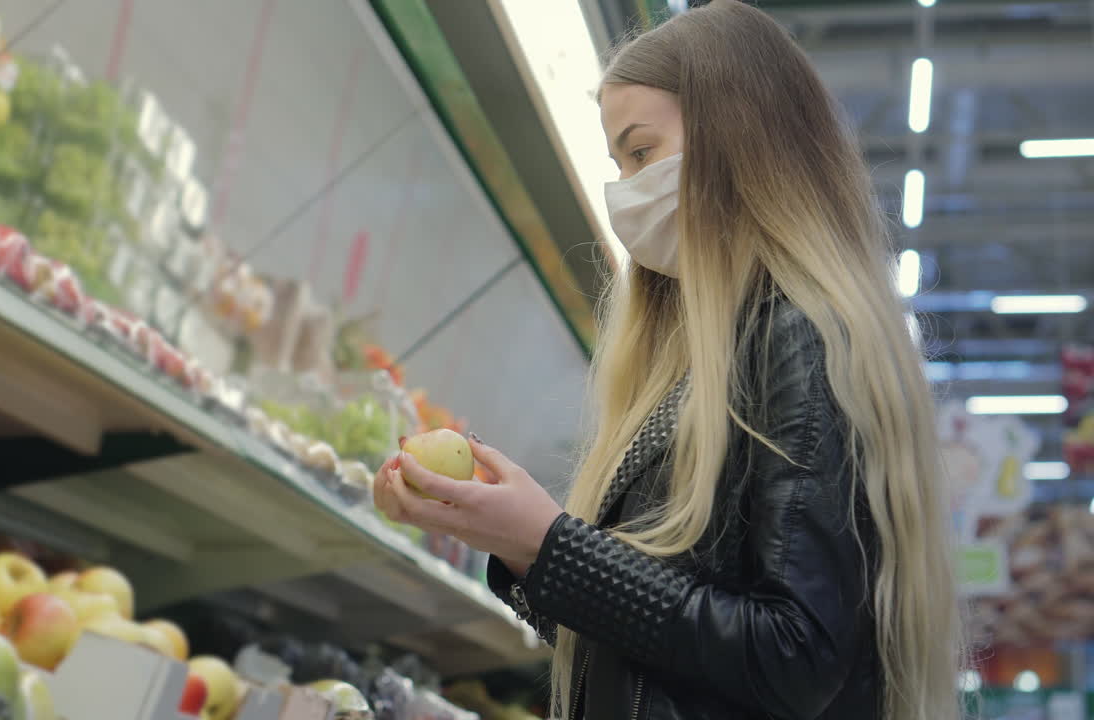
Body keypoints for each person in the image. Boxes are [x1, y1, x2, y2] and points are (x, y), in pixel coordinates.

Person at [372, 2, 963, 718]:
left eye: (643, 152)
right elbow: (657, 657)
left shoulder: (799, 338)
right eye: (618, 162)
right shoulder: (698, 366)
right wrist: (521, 546)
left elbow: (796, 656)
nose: (624, 190)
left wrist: (551, 544)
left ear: (736, 137)